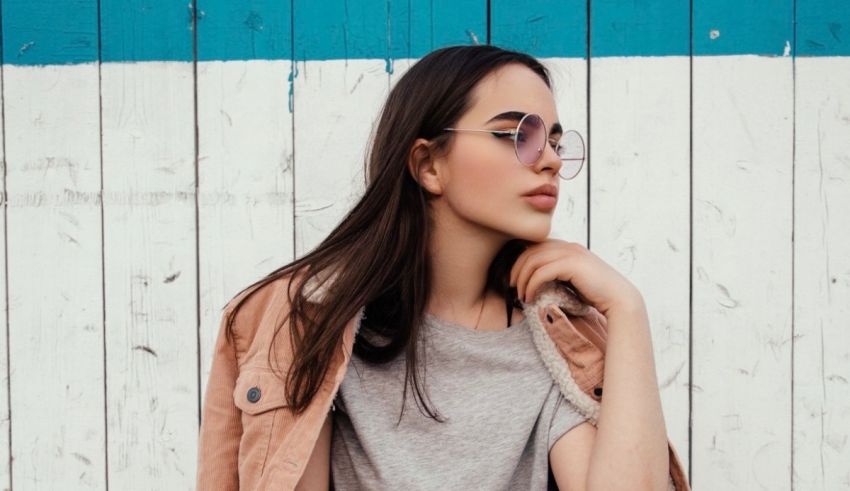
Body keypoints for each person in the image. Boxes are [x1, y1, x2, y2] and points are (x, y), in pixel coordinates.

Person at [196, 45, 690, 490]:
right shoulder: (301, 322)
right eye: (517, 134)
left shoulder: (564, 340)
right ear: (428, 165)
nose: (551, 162)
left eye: (555, 142)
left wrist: (628, 310)